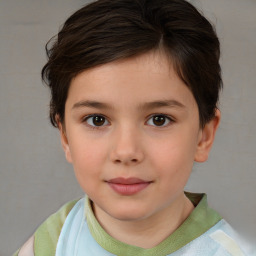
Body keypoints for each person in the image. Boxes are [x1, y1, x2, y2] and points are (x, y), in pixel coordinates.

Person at [13, 0, 254, 255]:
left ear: (203, 136)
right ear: (65, 136)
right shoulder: (48, 245)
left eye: (159, 119)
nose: (126, 151)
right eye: (97, 120)